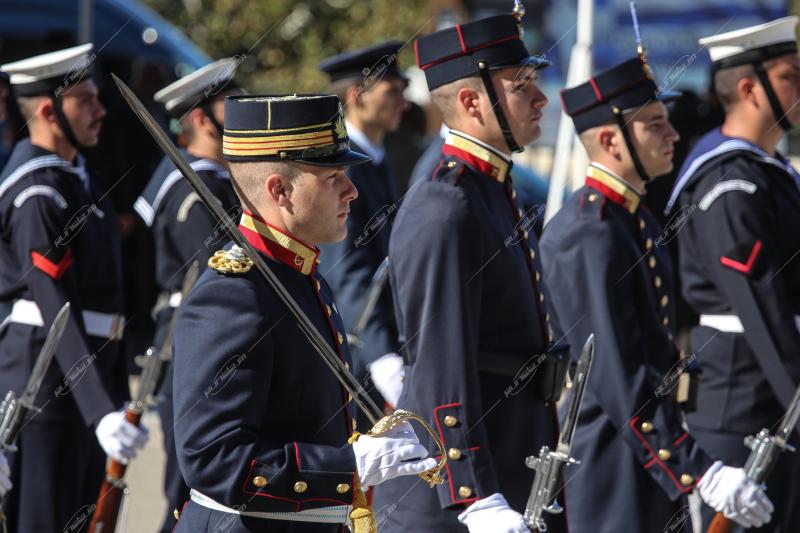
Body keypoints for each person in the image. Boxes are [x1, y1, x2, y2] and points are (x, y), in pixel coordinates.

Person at [171, 93, 437, 532]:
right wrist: (346, 466)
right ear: (280, 190)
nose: (352, 190)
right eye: (333, 176)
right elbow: (214, 459)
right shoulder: (233, 296)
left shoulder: (300, 272)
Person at [540, 56, 774, 533]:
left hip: (646, 452)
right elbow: (617, 373)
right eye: (655, 125)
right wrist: (696, 468)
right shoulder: (590, 232)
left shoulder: (633, 219)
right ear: (609, 140)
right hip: (611, 459)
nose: (672, 135)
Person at [372, 10, 570, 533]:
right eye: (522, 86)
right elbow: (440, 361)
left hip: (512, 452)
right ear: (470, 101)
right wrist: (473, 496)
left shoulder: (492, 189)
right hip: (455, 497)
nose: (541, 99)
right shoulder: (447, 202)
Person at [0, 44, 148, 530]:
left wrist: (111, 395)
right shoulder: (37, 194)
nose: (100, 110)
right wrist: (99, 410)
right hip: (45, 392)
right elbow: (54, 305)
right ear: (48, 111)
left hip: (86, 387)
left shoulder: (79, 179)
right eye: (85, 99)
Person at [667, 16, 800, 532]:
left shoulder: (768, 172)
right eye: (791, 75)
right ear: (750, 88)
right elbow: (760, 307)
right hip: (745, 410)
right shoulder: (729, 185)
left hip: (776, 403)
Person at [133, 57, 241, 532]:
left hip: (208, 347)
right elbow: (221, 272)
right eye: (229, 107)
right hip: (191, 348)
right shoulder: (194, 190)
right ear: (201, 119)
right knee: (188, 495)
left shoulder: (214, 182)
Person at [317, 42, 408, 415]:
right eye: (393, 92)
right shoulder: (346, 164)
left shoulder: (375, 157)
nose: (404, 102)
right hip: (358, 350)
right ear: (357, 96)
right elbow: (349, 269)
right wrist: (382, 352)